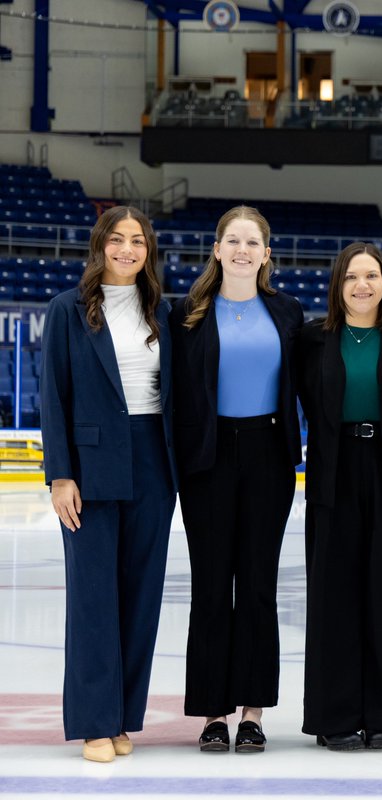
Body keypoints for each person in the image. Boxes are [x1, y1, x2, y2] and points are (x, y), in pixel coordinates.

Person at [41, 205, 177, 763]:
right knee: (95, 596)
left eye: (138, 241)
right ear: (100, 246)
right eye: (117, 239)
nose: (127, 249)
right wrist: (60, 475)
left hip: (153, 460)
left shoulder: (162, 311)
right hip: (91, 465)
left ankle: (123, 717)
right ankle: (95, 721)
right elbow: (53, 394)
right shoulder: (68, 310)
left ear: (149, 250)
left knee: (141, 595)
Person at [170, 205, 304, 753]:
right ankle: (213, 712)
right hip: (208, 459)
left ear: (266, 254)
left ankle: (252, 711)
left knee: (256, 586)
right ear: (218, 249)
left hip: (268, 457)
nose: (243, 250)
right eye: (233, 240)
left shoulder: (288, 312)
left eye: (253, 242)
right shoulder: (189, 314)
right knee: (209, 588)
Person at [296, 242, 382, 751]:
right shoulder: (312, 339)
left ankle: (380, 716)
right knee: (333, 597)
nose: (362, 285)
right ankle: (334, 717)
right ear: (338, 284)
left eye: (371, 275)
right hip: (333, 475)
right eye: (352, 276)